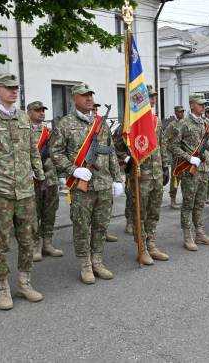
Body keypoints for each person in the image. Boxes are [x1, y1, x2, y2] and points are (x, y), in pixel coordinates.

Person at [0, 73, 45, 310]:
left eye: (16, 88)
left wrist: (40, 177)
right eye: (8, 88)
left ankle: (24, 282)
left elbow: (33, 150)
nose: (14, 91)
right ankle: (2, 287)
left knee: (28, 238)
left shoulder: (24, 118)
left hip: (25, 191)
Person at [48, 83, 124, 284]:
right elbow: (55, 153)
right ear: (75, 98)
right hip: (82, 187)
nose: (89, 98)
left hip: (104, 183)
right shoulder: (65, 123)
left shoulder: (101, 123)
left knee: (101, 225)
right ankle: (85, 264)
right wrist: (73, 170)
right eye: (84, 95)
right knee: (82, 226)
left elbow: (111, 152)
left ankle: (97, 260)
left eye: (91, 95)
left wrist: (118, 178)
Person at [113, 87, 169, 263]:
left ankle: (151, 243)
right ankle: (141, 247)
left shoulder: (156, 121)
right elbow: (116, 147)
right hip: (140, 175)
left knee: (154, 211)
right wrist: (127, 159)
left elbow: (161, 145)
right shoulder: (129, 122)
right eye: (149, 97)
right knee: (140, 213)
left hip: (156, 173)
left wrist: (165, 166)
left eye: (153, 98)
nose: (152, 100)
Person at [169, 94, 209, 251]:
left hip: (203, 170)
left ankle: (200, 233)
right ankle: (187, 235)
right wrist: (188, 158)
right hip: (190, 171)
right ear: (191, 105)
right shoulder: (182, 124)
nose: (203, 107)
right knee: (188, 204)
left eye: (204, 104)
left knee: (200, 203)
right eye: (200, 104)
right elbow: (173, 146)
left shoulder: (207, 123)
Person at [27, 101, 63, 261]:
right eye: (37, 110)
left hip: (50, 179)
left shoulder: (49, 133)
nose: (41, 113)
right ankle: (36, 245)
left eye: (43, 110)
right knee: (33, 213)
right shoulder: (22, 131)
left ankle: (47, 243)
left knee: (49, 212)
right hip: (30, 180)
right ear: (29, 112)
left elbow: (58, 152)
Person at [93, 102, 119, 243]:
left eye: (96, 108)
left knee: (104, 210)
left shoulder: (103, 126)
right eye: (93, 108)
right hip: (86, 177)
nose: (94, 110)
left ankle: (104, 231)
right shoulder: (76, 126)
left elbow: (111, 150)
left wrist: (117, 178)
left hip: (104, 176)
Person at [164, 106, 185, 209]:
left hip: (186, 156)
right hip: (176, 157)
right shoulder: (172, 125)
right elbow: (165, 140)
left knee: (185, 178)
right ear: (175, 113)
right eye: (179, 112)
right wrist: (171, 150)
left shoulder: (186, 123)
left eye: (182, 112)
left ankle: (186, 199)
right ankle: (173, 200)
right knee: (175, 178)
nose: (181, 113)